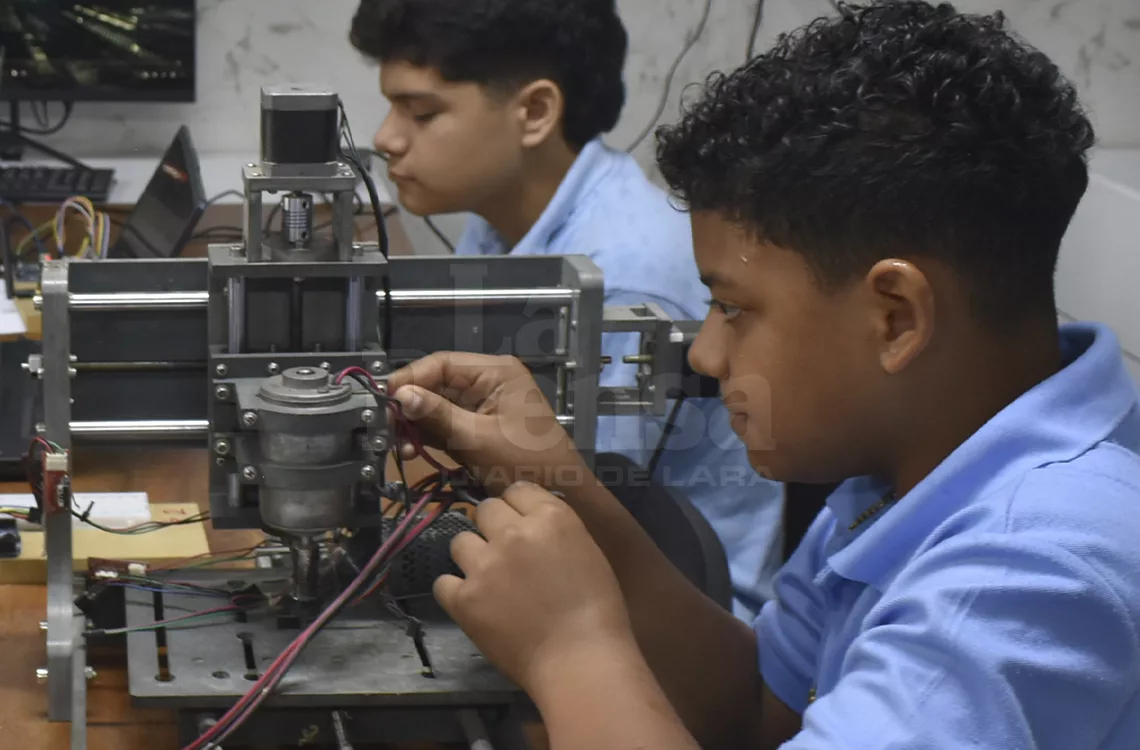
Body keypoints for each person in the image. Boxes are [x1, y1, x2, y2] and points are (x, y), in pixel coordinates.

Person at [386, 2, 1140, 749]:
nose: (709, 355)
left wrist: (571, 648)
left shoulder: (1029, 572)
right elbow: (754, 710)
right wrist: (564, 486)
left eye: (732, 308)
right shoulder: (899, 474)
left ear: (897, 319)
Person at [349, 0, 785, 619]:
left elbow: (580, 513)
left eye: (422, 112)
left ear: (534, 111)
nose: (386, 138)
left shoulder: (624, 285)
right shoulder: (502, 223)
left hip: (687, 612)